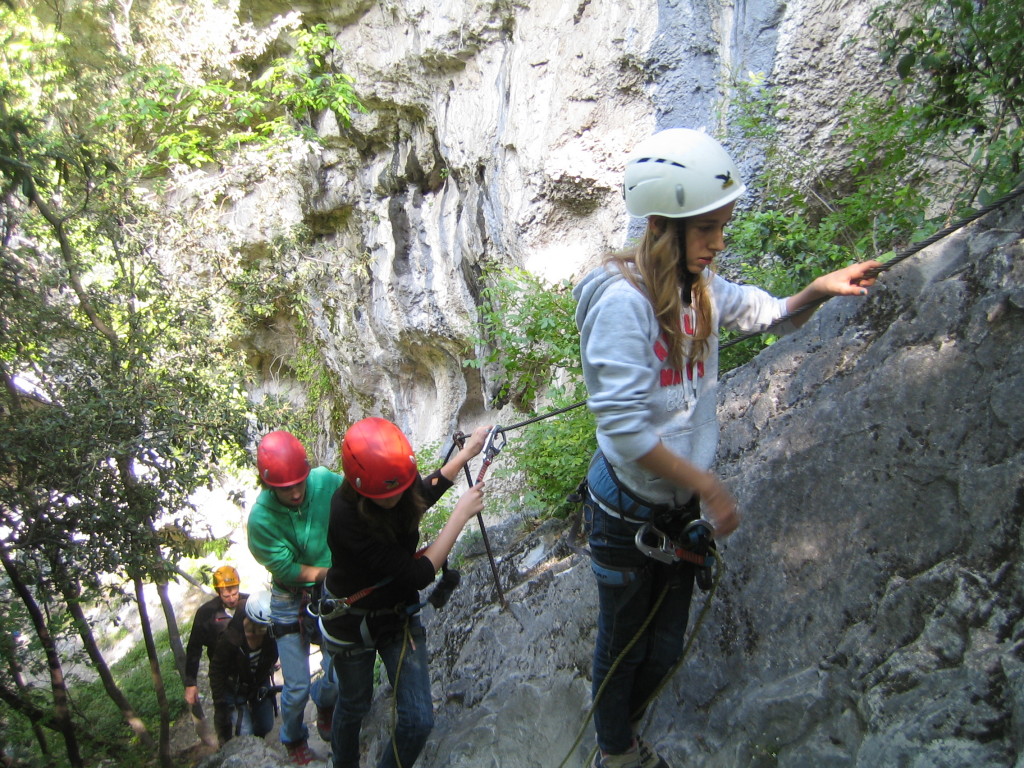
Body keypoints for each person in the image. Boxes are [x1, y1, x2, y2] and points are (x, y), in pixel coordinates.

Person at [573, 127, 882, 768]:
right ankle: (617, 752)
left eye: (722, 226)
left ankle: (622, 732)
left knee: (662, 647)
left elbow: (770, 314)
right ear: (664, 225)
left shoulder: (702, 293)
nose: (719, 242)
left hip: (675, 510)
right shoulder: (621, 307)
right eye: (707, 228)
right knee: (623, 643)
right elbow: (625, 431)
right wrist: (710, 486)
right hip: (627, 512)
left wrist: (819, 290)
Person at [320, 417, 489, 768]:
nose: (396, 498)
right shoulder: (346, 517)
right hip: (352, 623)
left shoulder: (396, 478)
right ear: (361, 487)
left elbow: (420, 494)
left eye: (399, 488)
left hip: (397, 615)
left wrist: (468, 453)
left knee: (418, 720)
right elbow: (416, 574)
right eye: (386, 495)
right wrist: (460, 514)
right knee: (354, 703)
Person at [247, 430, 342, 765]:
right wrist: (331, 572)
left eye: (299, 483)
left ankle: (326, 703)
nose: (297, 492)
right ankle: (292, 737)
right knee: (296, 685)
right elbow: (287, 569)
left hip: (330, 587)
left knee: (335, 667)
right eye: (287, 488)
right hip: (289, 597)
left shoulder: (323, 482)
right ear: (270, 485)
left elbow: (358, 496)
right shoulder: (261, 520)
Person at [183, 565, 248, 744]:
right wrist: (191, 683)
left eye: (234, 591)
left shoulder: (250, 604)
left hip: (250, 670)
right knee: (223, 710)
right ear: (218, 592)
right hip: (222, 672)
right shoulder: (207, 613)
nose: (232, 597)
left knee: (260, 720)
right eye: (226, 594)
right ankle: (225, 746)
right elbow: (194, 648)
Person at [208, 589, 279, 740]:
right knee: (245, 732)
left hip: (259, 683)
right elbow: (216, 670)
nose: (264, 631)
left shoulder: (271, 634)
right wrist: (220, 702)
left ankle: (258, 742)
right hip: (234, 689)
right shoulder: (230, 639)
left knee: (266, 725)